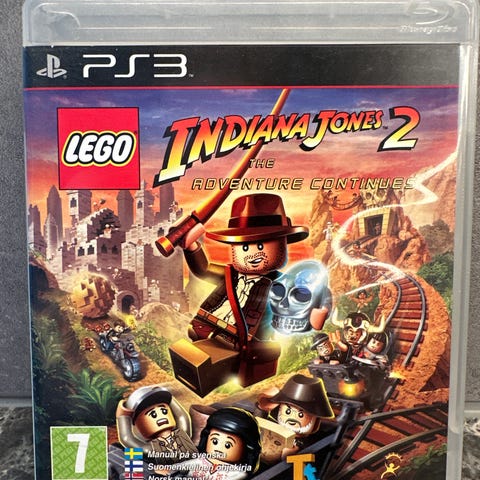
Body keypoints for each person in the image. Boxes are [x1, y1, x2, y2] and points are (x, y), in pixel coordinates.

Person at [170, 407, 261, 479]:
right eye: (215, 441)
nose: (219, 448)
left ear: (246, 448)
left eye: (228, 445)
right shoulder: (201, 461)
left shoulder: (237, 473)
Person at [115, 386, 197, 465]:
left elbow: (182, 417)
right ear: (141, 426)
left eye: (164, 411)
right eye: (153, 414)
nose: (161, 416)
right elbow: (126, 438)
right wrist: (123, 417)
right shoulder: (152, 449)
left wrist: (169, 398)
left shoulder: (182, 435)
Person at [257, 374, 334, 457]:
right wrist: (262, 405)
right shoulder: (275, 427)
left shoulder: (312, 444)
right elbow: (257, 421)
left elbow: (311, 463)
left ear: (315, 420)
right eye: (288, 411)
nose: (292, 418)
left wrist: (288, 459)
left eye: (301, 414)